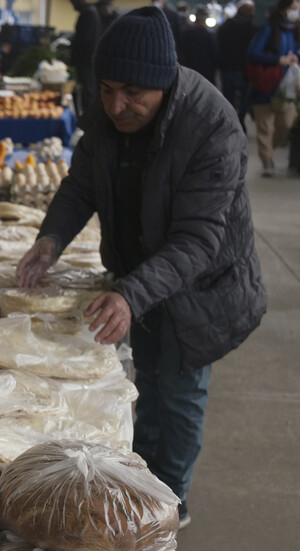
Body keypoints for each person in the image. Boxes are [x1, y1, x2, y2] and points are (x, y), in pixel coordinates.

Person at [17, 6, 266, 530]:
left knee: (178, 392)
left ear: (164, 82)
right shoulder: (110, 116)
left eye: (132, 93)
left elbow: (199, 239)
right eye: (106, 89)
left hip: (200, 285)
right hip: (141, 273)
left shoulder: (212, 127)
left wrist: (132, 293)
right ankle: (144, 483)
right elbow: (82, 182)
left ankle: (168, 508)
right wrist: (52, 237)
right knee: (145, 381)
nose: (116, 105)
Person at [247, 0, 300, 177]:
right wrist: (278, 60)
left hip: (287, 86)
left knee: (287, 121)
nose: (296, 11)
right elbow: (252, 54)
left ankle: (269, 150)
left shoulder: (296, 31)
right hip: (266, 84)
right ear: (283, 9)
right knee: (265, 126)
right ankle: (267, 161)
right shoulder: (268, 29)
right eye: (293, 8)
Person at [218, 1, 257, 131]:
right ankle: (239, 120)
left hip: (227, 67)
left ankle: (230, 122)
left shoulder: (226, 26)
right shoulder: (252, 29)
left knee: (228, 98)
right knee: (245, 98)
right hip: (244, 70)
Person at [70, 0, 102, 114]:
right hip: (87, 60)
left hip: (86, 61)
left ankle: (90, 121)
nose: (72, 5)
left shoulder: (88, 14)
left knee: (88, 92)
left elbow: (83, 40)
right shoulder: (90, 12)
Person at [178, 6, 220, 84]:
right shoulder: (209, 35)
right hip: (207, 72)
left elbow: (181, 51)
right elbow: (215, 54)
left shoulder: (185, 33)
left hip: (189, 71)